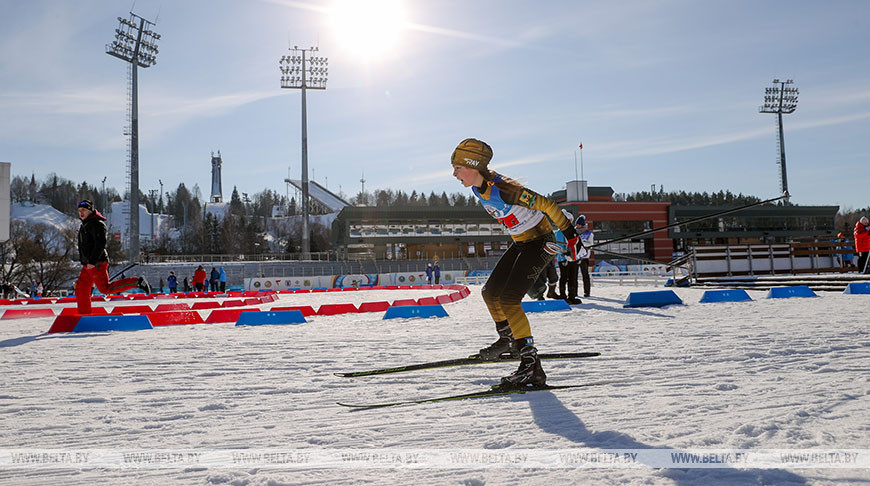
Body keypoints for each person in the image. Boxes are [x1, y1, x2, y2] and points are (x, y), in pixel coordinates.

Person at [451, 138, 583, 388]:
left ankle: (531, 366)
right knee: (490, 293)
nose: (454, 173)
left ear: (472, 166)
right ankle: (509, 341)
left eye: (458, 167)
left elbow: (547, 204)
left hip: (541, 241)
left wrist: (570, 234)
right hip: (522, 242)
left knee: (509, 299)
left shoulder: (504, 190)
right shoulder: (478, 188)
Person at [74, 200, 140, 314]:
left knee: (105, 289)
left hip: (96, 263)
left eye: (83, 210)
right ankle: (84, 315)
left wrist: (92, 261)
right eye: (79, 211)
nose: (81, 213)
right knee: (81, 289)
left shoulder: (97, 224)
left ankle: (137, 282)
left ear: (90, 210)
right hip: (87, 264)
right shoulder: (85, 225)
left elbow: (100, 244)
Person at [554, 209, 581, 304]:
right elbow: (557, 246)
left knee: (573, 278)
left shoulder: (574, 232)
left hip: (574, 258)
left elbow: (578, 245)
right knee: (564, 277)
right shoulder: (558, 233)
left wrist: (579, 257)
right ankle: (563, 296)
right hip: (564, 259)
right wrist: (563, 255)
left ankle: (572, 296)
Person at [575, 214, 594, 297]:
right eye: (576, 224)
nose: (577, 226)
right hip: (575, 256)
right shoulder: (574, 232)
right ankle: (574, 292)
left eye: (578, 224)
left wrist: (582, 243)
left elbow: (591, 244)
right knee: (573, 275)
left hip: (584, 257)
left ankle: (587, 292)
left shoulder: (589, 234)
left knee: (585, 275)